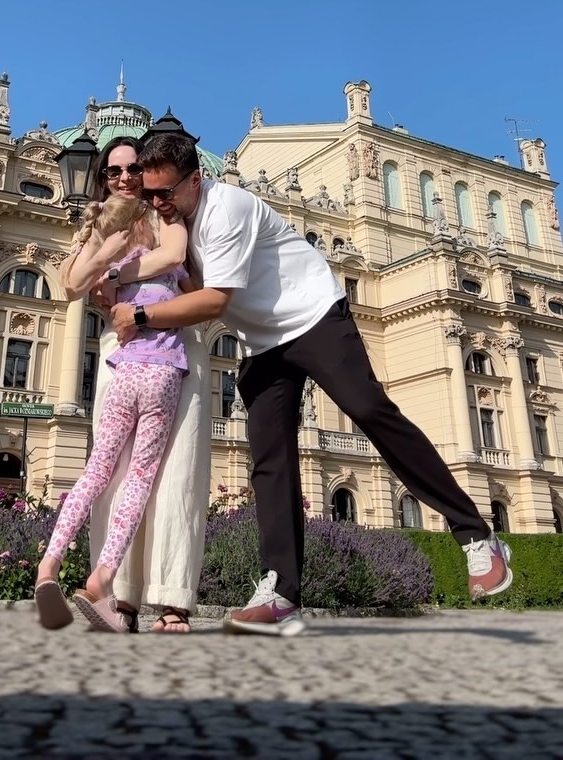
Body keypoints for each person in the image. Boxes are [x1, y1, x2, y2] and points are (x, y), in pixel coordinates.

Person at [112, 133, 514, 636]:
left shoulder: (226, 208)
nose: (156, 203)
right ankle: (281, 592)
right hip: (261, 342)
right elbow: (192, 286)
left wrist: (142, 315)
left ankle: (477, 537)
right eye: (149, 194)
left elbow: (213, 301)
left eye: (165, 193)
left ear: (197, 179)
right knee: (269, 460)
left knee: (369, 410)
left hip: (314, 317)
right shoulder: (172, 220)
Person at [59, 137, 210, 634]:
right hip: (121, 349)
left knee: (177, 475)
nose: (124, 178)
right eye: (113, 170)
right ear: (102, 177)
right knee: (114, 475)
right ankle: (118, 598)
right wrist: (102, 255)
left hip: (176, 347)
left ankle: (172, 600)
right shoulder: (101, 221)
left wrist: (116, 273)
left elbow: (174, 257)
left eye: (133, 169)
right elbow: (71, 283)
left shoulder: (164, 213)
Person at [35, 192, 192, 632]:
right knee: (139, 478)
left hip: (123, 375)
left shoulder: (112, 277)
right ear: (145, 225)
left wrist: (107, 261)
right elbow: (195, 292)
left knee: (96, 473)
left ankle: (49, 564)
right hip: (161, 376)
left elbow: (93, 292)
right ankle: (102, 577)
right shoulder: (167, 266)